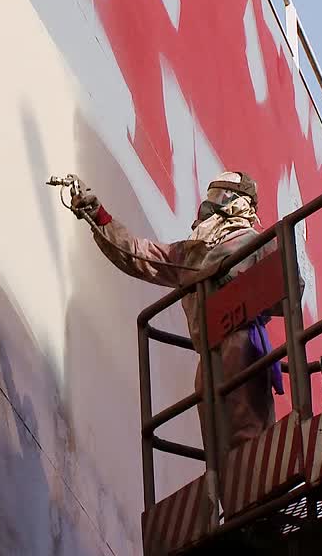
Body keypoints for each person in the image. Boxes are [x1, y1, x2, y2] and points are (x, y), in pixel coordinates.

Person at [71, 171, 294, 448]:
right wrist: (99, 217)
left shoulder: (256, 242)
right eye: (211, 197)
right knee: (216, 445)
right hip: (209, 355)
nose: (209, 206)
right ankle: (223, 484)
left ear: (240, 204)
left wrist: (241, 286)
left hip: (243, 344)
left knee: (249, 436)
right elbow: (139, 255)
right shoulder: (192, 252)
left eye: (220, 198)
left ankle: (256, 480)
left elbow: (291, 287)